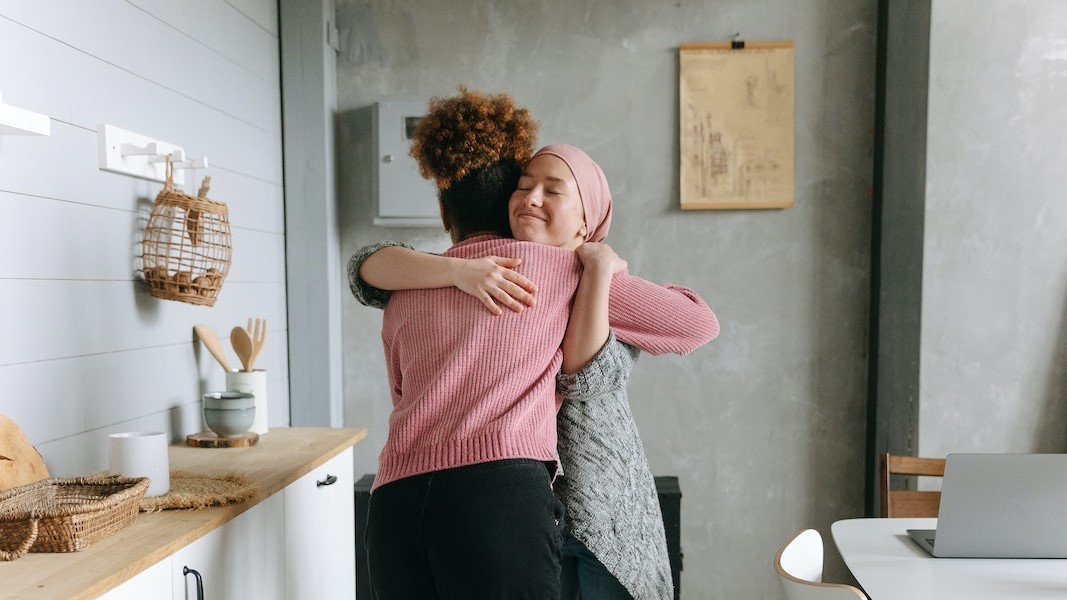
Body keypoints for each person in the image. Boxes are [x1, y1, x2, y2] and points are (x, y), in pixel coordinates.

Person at [350, 88, 715, 600]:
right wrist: (598, 265)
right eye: (525, 187)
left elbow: (395, 371)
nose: (534, 199)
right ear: (508, 204)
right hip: (497, 499)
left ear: (441, 209)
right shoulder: (556, 270)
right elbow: (696, 324)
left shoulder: (401, 287)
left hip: (393, 503)